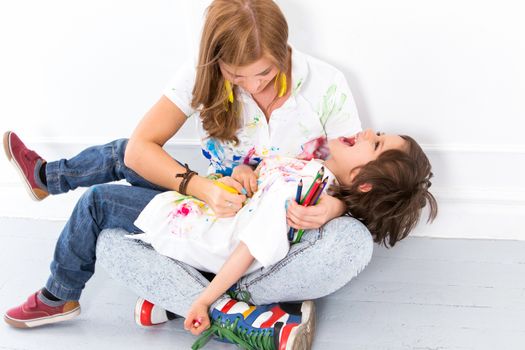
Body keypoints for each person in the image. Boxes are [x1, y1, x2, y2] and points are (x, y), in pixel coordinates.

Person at [2, 0, 401, 348]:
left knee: (353, 241)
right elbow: (141, 149)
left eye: (263, 73)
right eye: (236, 76)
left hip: (257, 234)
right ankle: (236, 308)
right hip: (217, 210)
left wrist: (332, 209)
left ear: (284, 50)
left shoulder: (326, 85)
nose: (253, 86)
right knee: (114, 218)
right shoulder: (202, 74)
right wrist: (209, 185)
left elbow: (358, 176)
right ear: (216, 61)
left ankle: (193, 295)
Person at [130, 129, 437, 347]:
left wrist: (205, 299)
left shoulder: (306, 186)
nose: (368, 131)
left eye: (377, 142)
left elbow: (253, 242)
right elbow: (255, 184)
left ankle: (199, 299)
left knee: (104, 210)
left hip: (210, 237)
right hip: (208, 211)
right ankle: (211, 304)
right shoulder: (308, 167)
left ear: (360, 179)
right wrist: (244, 173)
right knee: (123, 164)